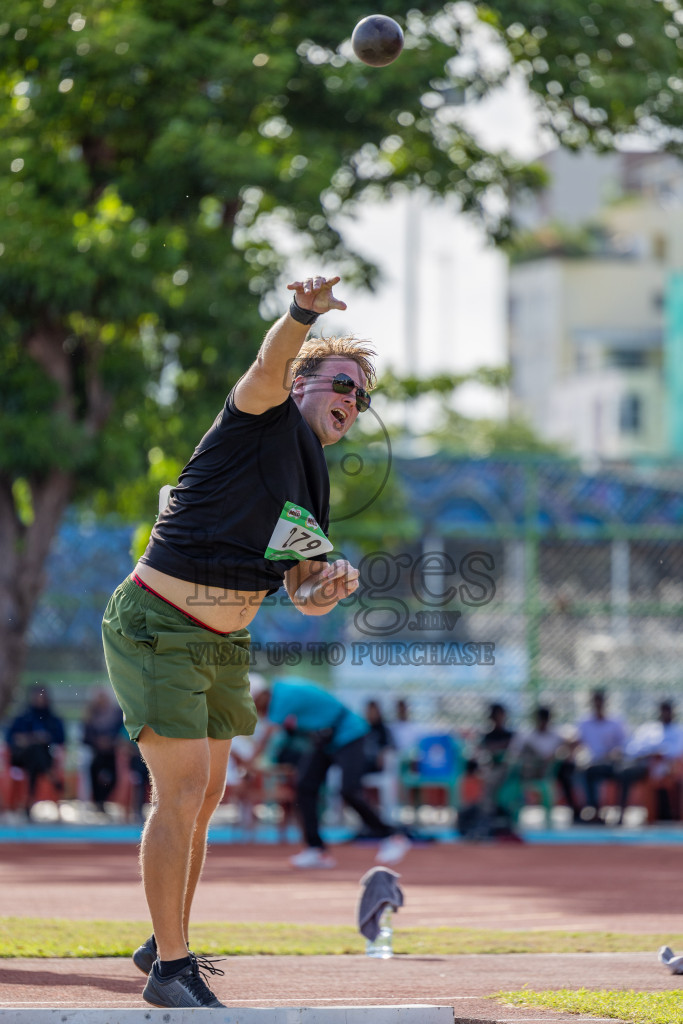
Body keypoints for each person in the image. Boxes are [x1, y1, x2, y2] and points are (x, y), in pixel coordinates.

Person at [101, 274, 377, 1009]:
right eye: (342, 383)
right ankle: (170, 970)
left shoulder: (312, 482)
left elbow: (302, 597)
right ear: (302, 382)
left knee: (208, 795)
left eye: (363, 397)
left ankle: (165, 938)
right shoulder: (260, 414)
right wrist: (301, 315)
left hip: (223, 645)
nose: (352, 400)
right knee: (181, 791)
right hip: (158, 622)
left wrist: (330, 586)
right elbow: (265, 365)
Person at [249, 678, 411, 868]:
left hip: (350, 734)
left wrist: (251, 761)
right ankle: (316, 850)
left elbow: (269, 733)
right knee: (305, 787)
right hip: (325, 738)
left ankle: (393, 837)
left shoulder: (282, 696)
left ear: (261, 696)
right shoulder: (280, 694)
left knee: (349, 789)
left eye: (253, 703)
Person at [502, 706, 581, 824]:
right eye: (540, 720)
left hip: (545, 773)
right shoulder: (525, 736)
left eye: (545, 720)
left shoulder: (556, 736)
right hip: (524, 773)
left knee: (566, 775)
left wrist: (557, 755)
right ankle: (505, 814)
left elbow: (571, 746)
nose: (542, 723)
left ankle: (574, 812)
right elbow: (513, 755)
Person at [5, 684, 66, 820]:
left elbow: (61, 740)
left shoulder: (53, 719)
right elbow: (11, 739)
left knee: (36, 756)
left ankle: (29, 802)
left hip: (44, 757)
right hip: (21, 758)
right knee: (34, 749)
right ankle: (50, 774)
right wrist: (32, 739)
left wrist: (44, 739)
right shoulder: (22, 717)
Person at [619, 700, 683, 823]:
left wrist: (659, 753)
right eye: (663, 710)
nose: (665, 713)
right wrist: (648, 753)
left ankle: (668, 814)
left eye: (668, 710)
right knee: (623, 772)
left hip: (669, 768)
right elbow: (632, 749)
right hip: (645, 767)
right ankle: (621, 814)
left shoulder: (678, 730)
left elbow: (676, 751)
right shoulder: (648, 729)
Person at [575, 689, 628, 823]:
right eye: (595, 701)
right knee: (582, 772)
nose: (598, 704)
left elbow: (624, 744)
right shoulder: (584, 723)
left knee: (625, 774)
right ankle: (592, 810)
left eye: (600, 700)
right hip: (592, 763)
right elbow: (577, 743)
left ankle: (620, 814)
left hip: (612, 763)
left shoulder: (616, 722)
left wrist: (614, 753)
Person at [81, 689, 125, 812]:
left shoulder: (116, 714)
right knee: (93, 770)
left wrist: (110, 742)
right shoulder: (89, 716)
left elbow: (121, 732)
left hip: (112, 752)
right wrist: (98, 742)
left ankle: (105, 799)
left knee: (114, 776)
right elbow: (85, 738)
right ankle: (97, 801)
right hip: (95, 753)